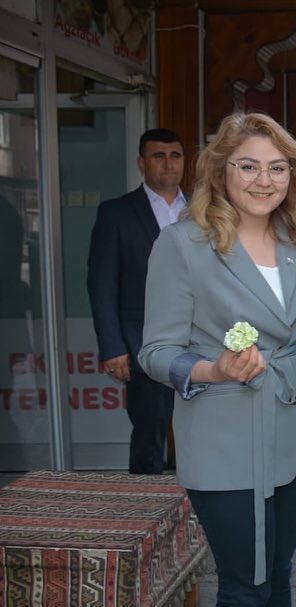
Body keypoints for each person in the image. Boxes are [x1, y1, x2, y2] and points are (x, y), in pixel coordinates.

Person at [139, 112, 296, 607]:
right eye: (249, 166)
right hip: (226, 441)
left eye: (277, 168)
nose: (264, 180)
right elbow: (155, 352)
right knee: (246, 585)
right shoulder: (183, 245)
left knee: (280, 575)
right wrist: (215, 369)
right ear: (221, 170)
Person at [87, 127, 185, 474]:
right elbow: (101, 284)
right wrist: (112, 347)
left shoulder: (204, 212)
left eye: (175, 155)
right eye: (159, 156)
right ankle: (145, 507)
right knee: (150, 432)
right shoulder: (117, 213)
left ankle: (198, 511)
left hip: (203, 338)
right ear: (141, 163)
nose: (168, 164)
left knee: (203, 432)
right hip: (142, 340)